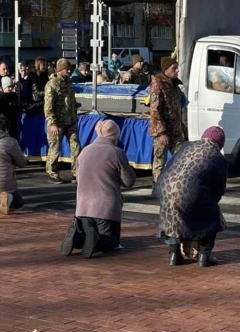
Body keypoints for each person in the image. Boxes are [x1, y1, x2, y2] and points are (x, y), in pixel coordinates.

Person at [154, 126, 228, 267]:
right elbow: (218, 190)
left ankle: (174, 255)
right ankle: (204, 256)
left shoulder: (186, 146)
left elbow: (171, 166)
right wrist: (211, 202)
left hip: (164, 188)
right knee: (212, 217)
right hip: (190, 191)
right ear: (220, 144)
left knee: (172, 218)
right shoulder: (218, 158)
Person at [62, 119, 137, 258]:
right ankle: (98, 239)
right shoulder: (116, 152)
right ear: (116, 135)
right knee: (111, 241)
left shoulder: (85, 151)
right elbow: (129, 181)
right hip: (105, 208)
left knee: (88, 234)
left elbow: (79, 178)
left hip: (83, 208)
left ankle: (78, 238)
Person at [44, 58, 80, 184]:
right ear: (59, 70)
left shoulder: (69, 82)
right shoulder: (52, 84)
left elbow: (71, 101)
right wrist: (52, 123)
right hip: (57, 122)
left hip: (70, 120)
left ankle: (77, 172)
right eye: (66, 69)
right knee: (55, 148)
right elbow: (48, 107)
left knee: (75, 147)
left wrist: (75, 109)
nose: (69, 71)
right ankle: (52, 172)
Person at [150, 58, 185, 182]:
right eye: (173, 68)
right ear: (166, 69)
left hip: (175, 129)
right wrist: (161, 133)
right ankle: (158, 186)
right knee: (160, 160)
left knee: (181, 158)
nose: (177, 70)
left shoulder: (175, 85)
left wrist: (182, 126)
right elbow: (155, 110)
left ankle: (178, 184)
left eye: (177, 67)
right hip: (163, 130)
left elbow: (178, 107)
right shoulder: (158, 84)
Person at [0, 76, 21, 141]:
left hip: (10, 125)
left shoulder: (12, 96)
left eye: (11, 86)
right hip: (3, 125)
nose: (10, 88)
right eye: (8, 87)